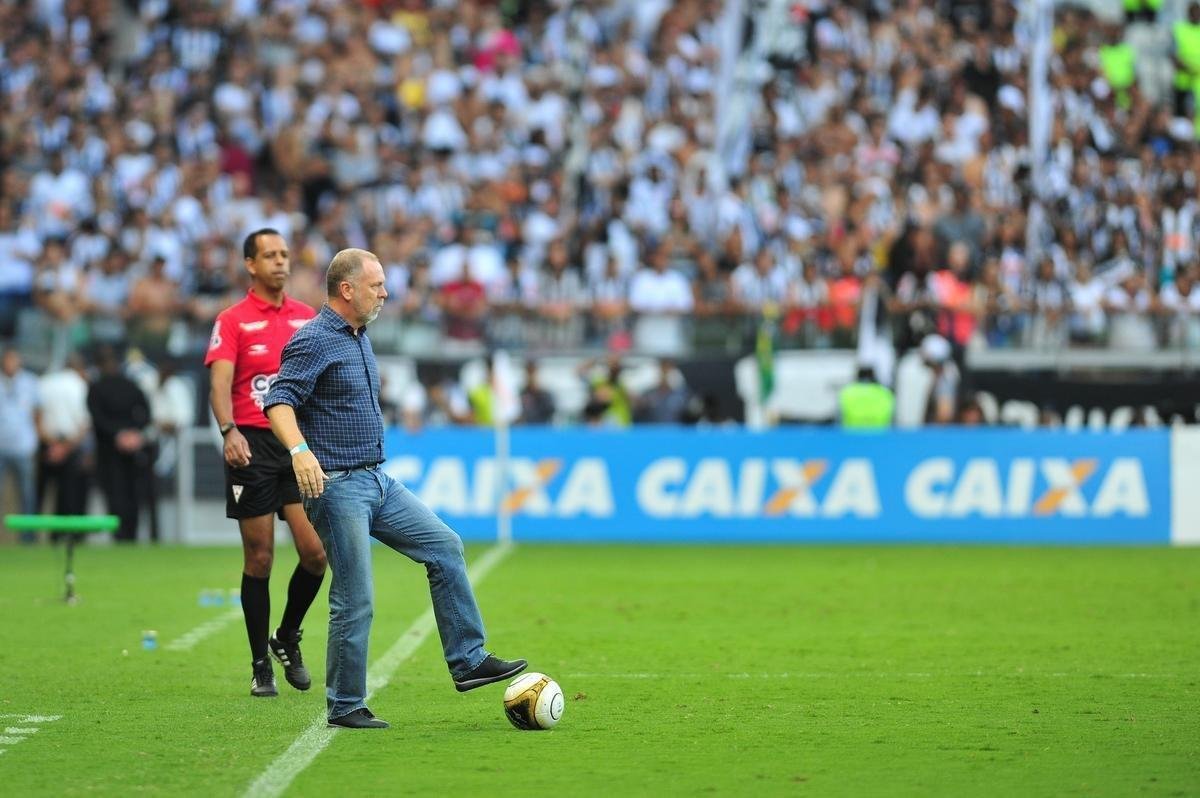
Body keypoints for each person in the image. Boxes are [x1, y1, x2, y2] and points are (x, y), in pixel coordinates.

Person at [264, 248, 526, 730]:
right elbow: (278, 400)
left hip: (375, 479)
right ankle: (345, 704)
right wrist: (300, 452)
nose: (385, 292)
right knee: (356, 595)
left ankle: (467, 660)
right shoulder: (315, 340)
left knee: (445, 546)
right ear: (347, 289)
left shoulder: (359, 337)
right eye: (376, 284)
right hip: (337, 486)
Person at [205, 228, 327, 698]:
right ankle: (260, 664)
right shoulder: (233, 320)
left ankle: (287, 636)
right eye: (269, 256)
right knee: (260, 557)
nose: (280, 262)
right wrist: (227, 430)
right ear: (250, 265)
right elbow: (220, 384)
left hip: (294, 443)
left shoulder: (306, 318)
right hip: (251, 445)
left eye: (284, 254)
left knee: (315, 553)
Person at [86, 346, 154, 542]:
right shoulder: (131, 385)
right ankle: (130, 534)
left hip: (109, 450)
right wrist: (133, 433)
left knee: (115, 494)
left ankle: (120, 535)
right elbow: (146, 413)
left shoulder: (96, 388)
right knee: (132, 493)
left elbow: (97, 419)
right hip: (131, 448)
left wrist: (118, 435)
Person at [37, 352, 93, 535]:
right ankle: (65, 537)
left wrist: (52, 444)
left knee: (41, 494)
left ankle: (31, 537)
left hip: (47, 443)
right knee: (69, 495)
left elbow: (35, 416)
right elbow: (84, 423)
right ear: (79, 368)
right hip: (70, 445)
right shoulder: (78, 385)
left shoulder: (44, 382)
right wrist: (65, 447)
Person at [0, 347, 42, 543]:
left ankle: (27, 537)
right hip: (1, 445)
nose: (10, 365)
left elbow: (37, 413)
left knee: (27, 494)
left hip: (23, 446)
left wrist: (37, 441)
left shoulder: (30, 382)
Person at [837, 365, 895, 429]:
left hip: (852, 434)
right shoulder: (884, 392)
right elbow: (891, 418)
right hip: (878, 434)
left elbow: (840, 417)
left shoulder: (847, 392)